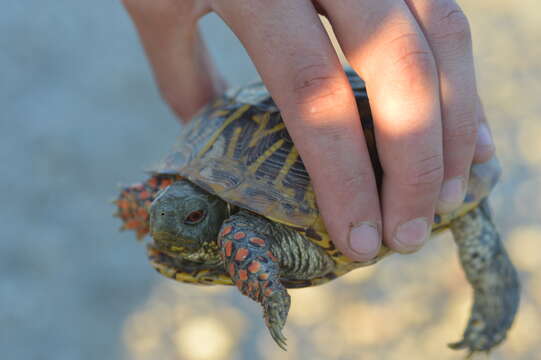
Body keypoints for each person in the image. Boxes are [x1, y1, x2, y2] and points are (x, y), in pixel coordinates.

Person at [122, 0, 495, 262]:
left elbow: (241, 234)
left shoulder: (239, 234)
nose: (162, 219)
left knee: (474, 228)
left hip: (293, 219)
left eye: (193, 219)